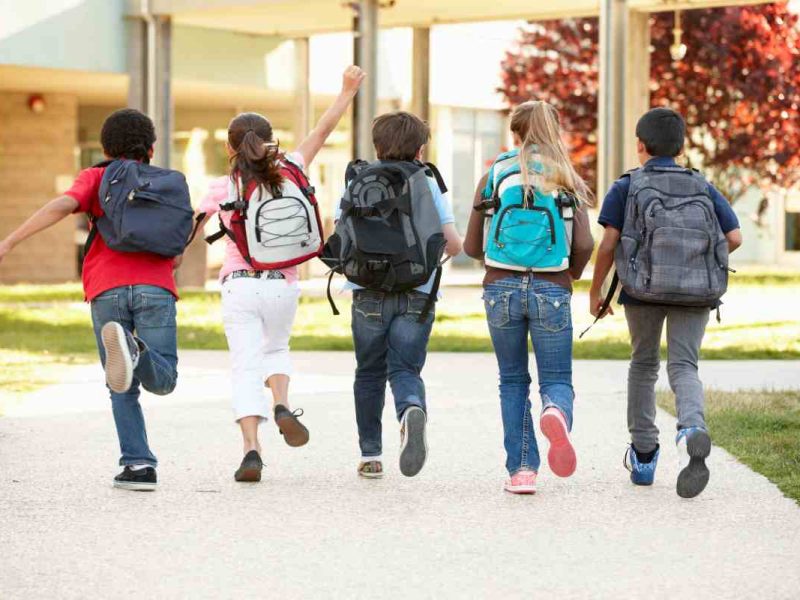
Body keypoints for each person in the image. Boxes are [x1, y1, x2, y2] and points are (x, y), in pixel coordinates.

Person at [195, 65, 366, 482]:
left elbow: (189, 229)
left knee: (244, 367)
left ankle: (252, 449)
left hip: (239, 285)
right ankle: (282, 403)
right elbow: (324, 129)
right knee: (276, 350)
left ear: (230, 147)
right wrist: (346, 91)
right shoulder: (293, 164)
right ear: (271, 140)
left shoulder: (222, 187)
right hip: (283, 284)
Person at [0, 109, 183, 491]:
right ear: (151, 148)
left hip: (106, 289)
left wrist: (11, 241)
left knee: (120, 384)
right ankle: (137, 352)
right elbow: (176, 250)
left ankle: (138, 466)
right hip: (155, 287)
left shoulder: (98, 177)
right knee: (164, 381)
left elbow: (62, 206)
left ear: (105, 147)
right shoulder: (167, 184)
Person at [589, 107, 743, 498]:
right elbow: (734, 236)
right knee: (684, 366)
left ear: (640, 145)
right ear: (681, 147)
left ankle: (643, 457)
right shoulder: (702, 186)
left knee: (643, 365)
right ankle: (691, 428)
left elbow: (608, 243)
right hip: (696, 291)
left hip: (642, 290)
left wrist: (597, 291)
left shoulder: (627, 185)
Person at [464, 100, 595, 494]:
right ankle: (554, 411)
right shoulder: (564, 174)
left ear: (515, 134)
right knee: (556, 377)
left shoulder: (497, 173)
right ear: (554, 133)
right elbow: (585, 242)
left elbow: (472, 245)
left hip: (501, 287)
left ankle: (522, 470)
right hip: (551, 287)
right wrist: (567, 274)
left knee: (512, 379)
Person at [335, 111, 462, 479]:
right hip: (417, 292)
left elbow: (340, 234)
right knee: (405, 368)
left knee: (369, 372)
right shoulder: (426, 181)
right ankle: (409, 410)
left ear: (377, 145)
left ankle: (370, 455)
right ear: (420, 148)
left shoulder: (359, 179)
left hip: (367, 292)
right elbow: (453, 245)